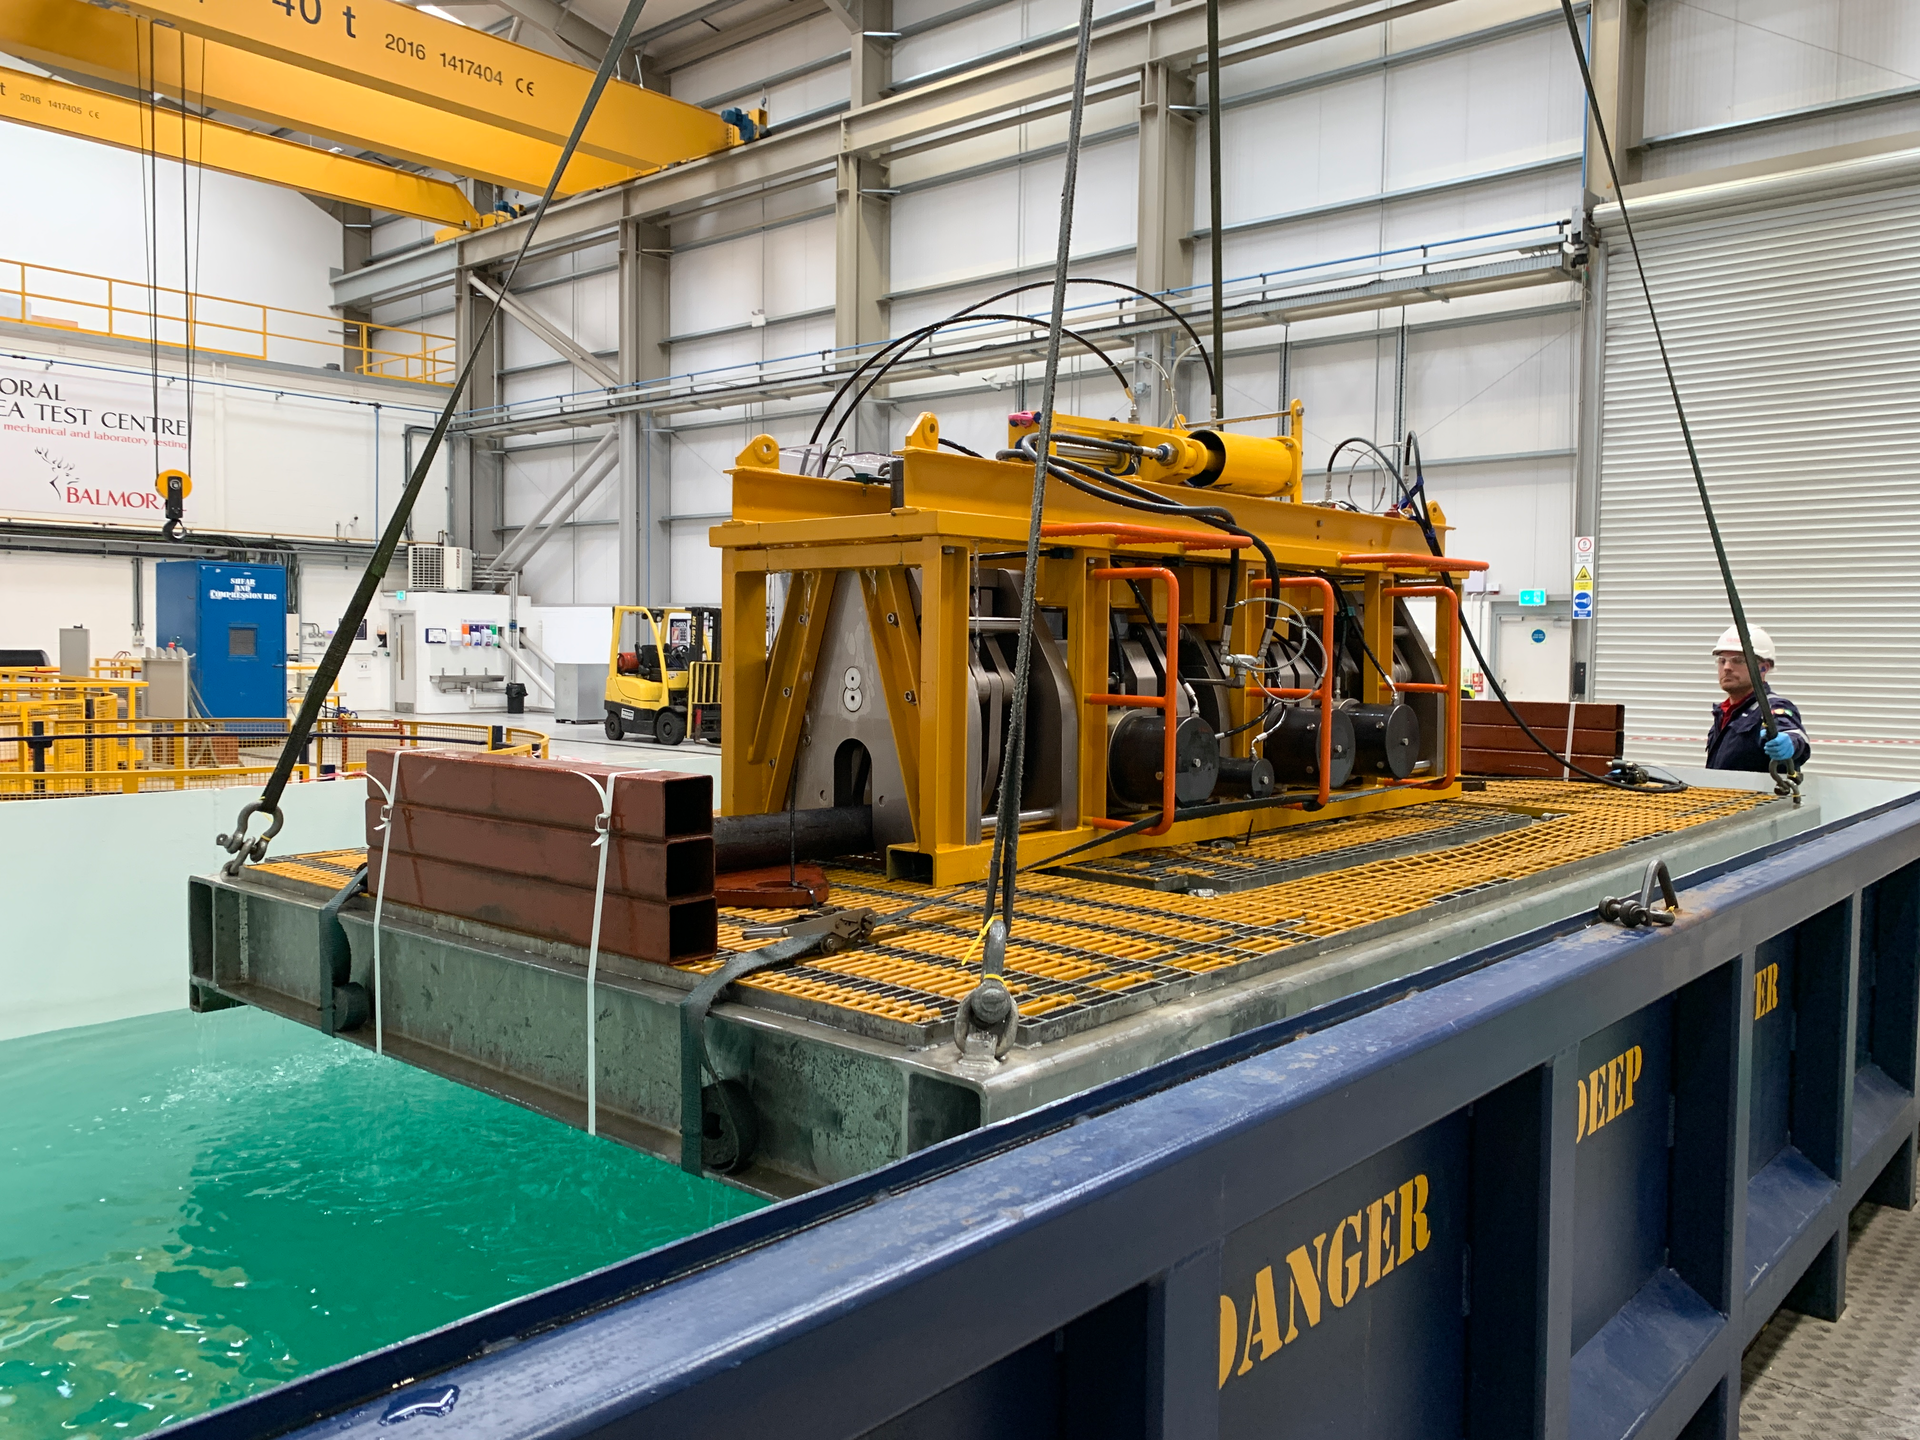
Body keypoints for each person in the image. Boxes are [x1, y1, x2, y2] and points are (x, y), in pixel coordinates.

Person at [1706, 626, 1810, 772]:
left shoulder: (1771, 707)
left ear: (1764, 668)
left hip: (1760, 795)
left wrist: (1791, 744)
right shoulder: (1725, 713)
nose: (1727, 667)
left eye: (1738, 660)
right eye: (1722, 660)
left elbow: (1794, 735)